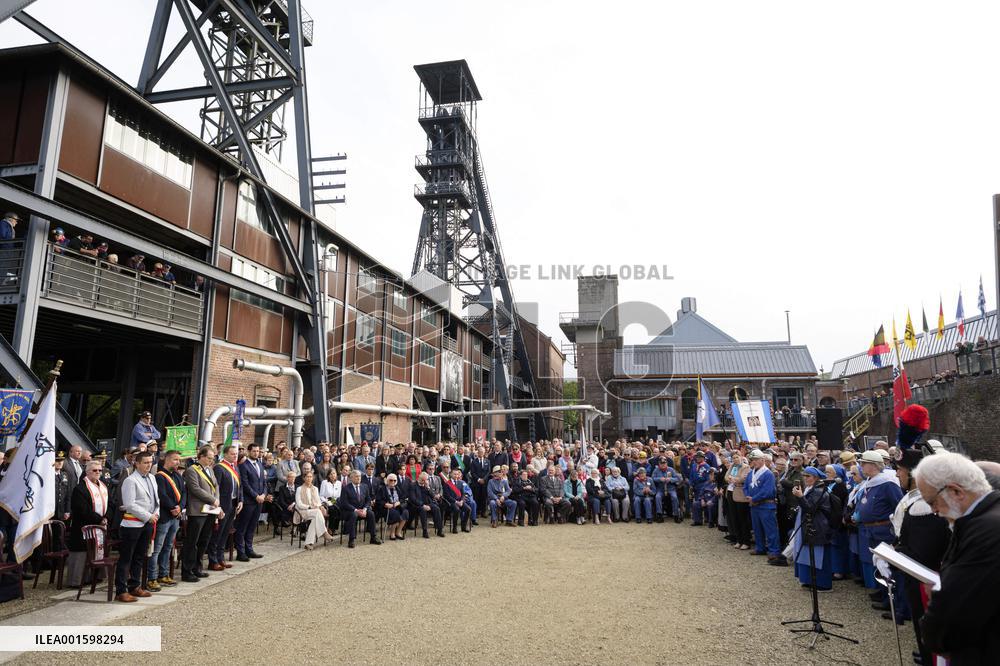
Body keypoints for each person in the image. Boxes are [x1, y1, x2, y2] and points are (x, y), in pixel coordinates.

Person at [914, 452, 1000, 665]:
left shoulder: (986, 530)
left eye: (932, 502)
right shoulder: (985, 518)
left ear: (956, 491)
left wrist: (935, 639)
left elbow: (957, 611)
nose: (934, 511)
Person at [854, 450, 904, 589]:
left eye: (864, 464)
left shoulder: (887, 484)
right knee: (877, 563)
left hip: (884, 531)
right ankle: (883, 593)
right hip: (871, 531)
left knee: (887, 565)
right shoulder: (870, 483)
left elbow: (899, 507)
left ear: (874, 465)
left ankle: (892, 600)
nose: (861, 467)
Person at [115, 451, 159, 602]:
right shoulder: (130, 480)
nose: (149, 465)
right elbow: (129, 504)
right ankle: (121, 590)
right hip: (132, 524)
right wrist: (148, 516)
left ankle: (134, 586)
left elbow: (155, 499)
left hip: (148, 522)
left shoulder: (152, 478)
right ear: (137, 463)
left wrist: (156, 513)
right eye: (145, 462)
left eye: (150, 462)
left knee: (139, 557)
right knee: (126, 558)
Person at [789, 466, 834, 591]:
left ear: (815, 478)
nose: (805, 478)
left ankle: (823, 584)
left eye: (808, 476)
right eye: (804, 476)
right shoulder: (811, 489)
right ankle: (810, 580)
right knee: (808, 553)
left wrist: (800, 496)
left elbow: (810, 508)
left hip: (818, 526)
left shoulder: (818, 491)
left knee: (818, 555)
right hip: (810, 525)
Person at [65, 461, 108, 589]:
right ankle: (77, 580)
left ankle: (95, 576)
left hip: (100, 526)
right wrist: (99, 519)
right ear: (87, 471)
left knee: (97, 550)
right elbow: (82, 509)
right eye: (95, 470)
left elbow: (110, 503)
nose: (98, 473)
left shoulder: (103, 486)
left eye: (100, 470)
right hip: (83, 527)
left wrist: (106, 517)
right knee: (82, 552)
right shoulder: (80, 488)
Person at [181, 446, 221, 583]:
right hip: (197, 510)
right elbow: (195, 489)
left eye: (212, 458)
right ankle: (187, 570)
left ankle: (198, 568)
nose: (211, 460)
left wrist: (217, 500)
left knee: (204, 540)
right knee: (193, 541)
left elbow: (215, 486)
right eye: (209, 458)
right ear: (201, 456)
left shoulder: (210, 469)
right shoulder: (192, 470)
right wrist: (213, 499)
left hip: (210, 509)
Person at [148, 449, 184, 592]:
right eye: (175, 459)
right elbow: (161, 495)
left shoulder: (178, 475)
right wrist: (172, 508)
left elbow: (184, 492)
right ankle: (152, 577)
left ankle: (164, 574)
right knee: (157, 548)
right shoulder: (159, 476)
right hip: (164, 516)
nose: (178, 462)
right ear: (166, 460)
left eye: (178, 460)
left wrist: (180, 507)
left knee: (168, 547)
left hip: (175, 517)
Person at [744, 449, 783, 565]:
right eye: (752, 460)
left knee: (770, 529)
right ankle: (760, 547)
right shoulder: (751, 473)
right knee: (757, 528)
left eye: (756, 460)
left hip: (766, 504)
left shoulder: (768, 474)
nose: (753, 462)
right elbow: (746, 486)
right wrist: (748, 496)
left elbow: (768, 491)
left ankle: (774, 551)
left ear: (762, 460)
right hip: (754, 505)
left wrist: (754, 498)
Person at [208, 445, 242, 571]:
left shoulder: (235, 467)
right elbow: (216, 489)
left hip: (233, 504)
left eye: (236, 454)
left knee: (225, 534)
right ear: (225, 454)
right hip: (222, 505)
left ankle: (221, 558)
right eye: (233, 454)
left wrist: (241, 500)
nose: (235, 456)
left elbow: (240, 486)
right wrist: (218, 507)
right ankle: (213, 560)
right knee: (217, 533)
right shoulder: (219, 468)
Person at [235, 443, 267, 561]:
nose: (256, 453)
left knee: (252, 526)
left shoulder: (259, 464)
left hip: (259, 501)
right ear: (249, 452)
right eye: (254, 451)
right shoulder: (244, 465)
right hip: (249, 501)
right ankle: (240, 552)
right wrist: (256, 496)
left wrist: (264, 494)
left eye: (258, 451)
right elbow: (245, 484)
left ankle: (249, 549)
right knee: (242, 527)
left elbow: (264, 482)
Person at [339, 470, 381, 547]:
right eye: (356, 476)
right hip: (350, 511)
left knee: (371, 513)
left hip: (362, 510)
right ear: (351, 478)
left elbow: (368, 500)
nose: (358, 478)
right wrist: (356, 510)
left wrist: (365, 509)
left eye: (359, 476)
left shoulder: (364, 486)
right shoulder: (345, 488)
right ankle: (351, 540)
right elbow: (344, 503)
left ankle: (373, 537)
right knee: (353, 515)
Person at [294, 470, 333, 550]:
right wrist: (310, 507)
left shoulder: (315, 488)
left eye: (310, 477)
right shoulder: (299, 489)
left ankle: (308, 543)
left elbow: (318, 502)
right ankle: (324, 532)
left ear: (313, 478)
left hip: (314, 512)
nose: (309, 478)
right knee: (317, 512)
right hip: (302, 511)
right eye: (307, 477)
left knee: (316, 518)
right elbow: (299, 504)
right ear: (304, 478)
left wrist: (319, 506)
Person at [726, 455, 751, 549]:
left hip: (741, 495)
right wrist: (735, 479)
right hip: (731, 492)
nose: (735, 459)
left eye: (737, 457)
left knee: (743, 518)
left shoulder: (746, 467)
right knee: (734, 517)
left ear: (741, 457)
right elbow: (726, 477)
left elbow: (743, 479)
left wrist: (733, 479)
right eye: (733, 458)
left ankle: (746, 541)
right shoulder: (732, 466)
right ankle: (739, 539)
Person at [410, 472, 444, 538]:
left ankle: (439, 530)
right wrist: (423, 505)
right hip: (418, 505)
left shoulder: (427, 485)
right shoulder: (413, 485)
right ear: (419, 478)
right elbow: (413, 498)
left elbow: (432, 496)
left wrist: (428, 488)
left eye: (426, 480)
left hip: (428, 503)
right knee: (423, 510)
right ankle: (424, 531)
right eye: (423, 480)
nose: (424, 481)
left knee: (437, 508)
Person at [378, 474, 408, 540]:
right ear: (387, 481)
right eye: (391, 480)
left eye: (394, 480)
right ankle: (392, 533)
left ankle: (398, 532)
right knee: (395, 513)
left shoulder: (397, 488)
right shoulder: (382, 489)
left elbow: (403, 498)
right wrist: (385, 504)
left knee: (405, 512)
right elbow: (378, 500)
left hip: (396, 506)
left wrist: (398, 502)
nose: (393, 482)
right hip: (386, 508)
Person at [652, 457, 682, 523]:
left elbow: (677, 479)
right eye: (661, 463)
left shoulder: (671, 469)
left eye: (664, 463)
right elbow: (653, 478)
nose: (663, 464)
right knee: (658, 497)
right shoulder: (656, 470)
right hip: (661, 489)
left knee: (674, 497)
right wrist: (659, 479)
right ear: (659, 464)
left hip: (670, 488)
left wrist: (670, 479)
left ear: (666, 463)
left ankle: (676, 515)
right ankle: (659, 515)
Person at [442, 468, 472, 533]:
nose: (456, 476)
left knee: (468, 509)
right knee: (457, 509)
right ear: (451, 474)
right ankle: (454, 527)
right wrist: (456, 502)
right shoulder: (447, 483)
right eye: (454, 474)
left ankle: (463, 527)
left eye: (457, 474)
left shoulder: (460, 483)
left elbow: (463, 494)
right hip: (451, 502)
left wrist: (462, 501)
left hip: (460, 501)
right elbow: (447, 496)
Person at [689, 452, 712, 526]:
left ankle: (707, 518)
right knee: (696, 503)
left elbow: (708, 479)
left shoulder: (706, 466)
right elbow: (691, 475)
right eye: (697, 457)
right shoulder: (694, 465)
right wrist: (691, 484)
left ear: (703, 458)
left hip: (703, 486)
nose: (698, 458)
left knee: (704, 501)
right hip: (695, 486)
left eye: (700, 457)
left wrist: (705, 487)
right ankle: (697, 520)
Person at [53, 453, 71, 522]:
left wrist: (67, 510)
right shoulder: (48, 475)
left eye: (62, 460)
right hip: (50, 511)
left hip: (61, 511)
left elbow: (67, 494)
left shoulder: (64, 475)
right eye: (57, 460)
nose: (60, 462)